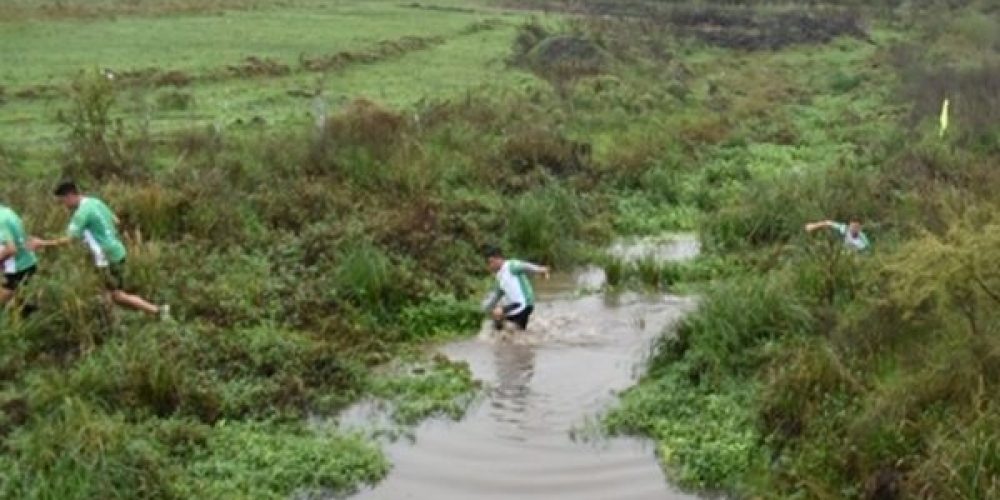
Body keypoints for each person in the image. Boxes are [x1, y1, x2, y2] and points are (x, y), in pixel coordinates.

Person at [32, 181, 170, 320]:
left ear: (70, 196)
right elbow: (115, 220)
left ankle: (156, 311)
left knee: (116, 295)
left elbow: (68, 240)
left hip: (106, 257)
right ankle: (114, 320)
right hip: (117, 251)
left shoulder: (81, 213)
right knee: (107, 293)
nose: (64, 206)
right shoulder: (95, 202)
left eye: (63, 201)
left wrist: (43, 243)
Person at [481, 246, 549, 330]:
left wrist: (540, 270)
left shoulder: (511, 265)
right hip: (513, 306)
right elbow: (496, 296)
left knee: (500, 314)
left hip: (524, 304)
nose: (490, 266)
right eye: (489, 263)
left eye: (491, 262)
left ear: (498, 259)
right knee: (498, 324)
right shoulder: (499, 277)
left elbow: (525, 266)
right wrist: (483, 310)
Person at [0, 203, 39, 311]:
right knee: (12, 302)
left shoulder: (1, 220)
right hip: (25, 263)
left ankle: (36, 314)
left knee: (5, 302)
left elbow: (11, 249)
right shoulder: (7, 212)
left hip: (18, 268)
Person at [804, 218, 870, 252]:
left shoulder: (863, 240)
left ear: (860, 228)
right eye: (852, 227)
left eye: (856, 227)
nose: (853, 229)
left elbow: (866, 250)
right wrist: (814, 226)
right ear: (849, 225)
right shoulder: (845, 229)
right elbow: (828, 223)